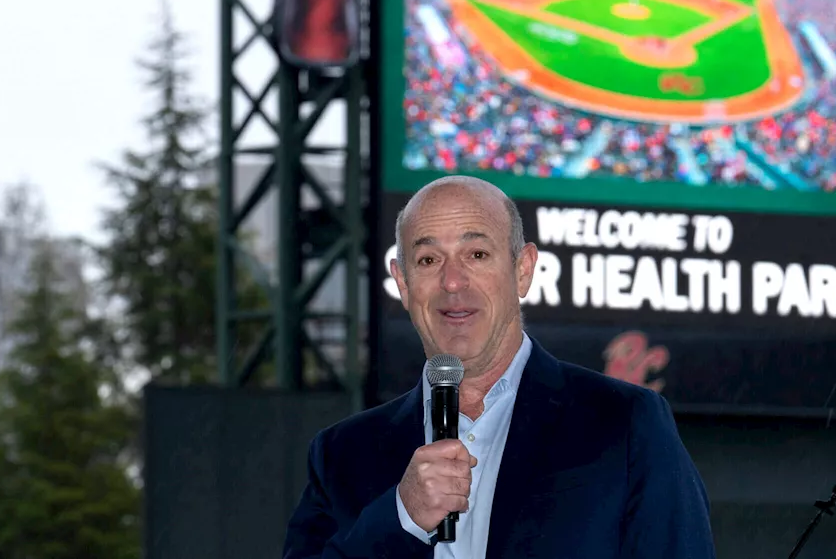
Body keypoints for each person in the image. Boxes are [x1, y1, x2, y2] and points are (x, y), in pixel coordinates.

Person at [281, 175, 716, 559]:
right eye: (429, 260)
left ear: (522, 270)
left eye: (477, 254)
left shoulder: (624, 423)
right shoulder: (343, 453)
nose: (453, 282)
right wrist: (403, 516)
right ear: (403, 282)